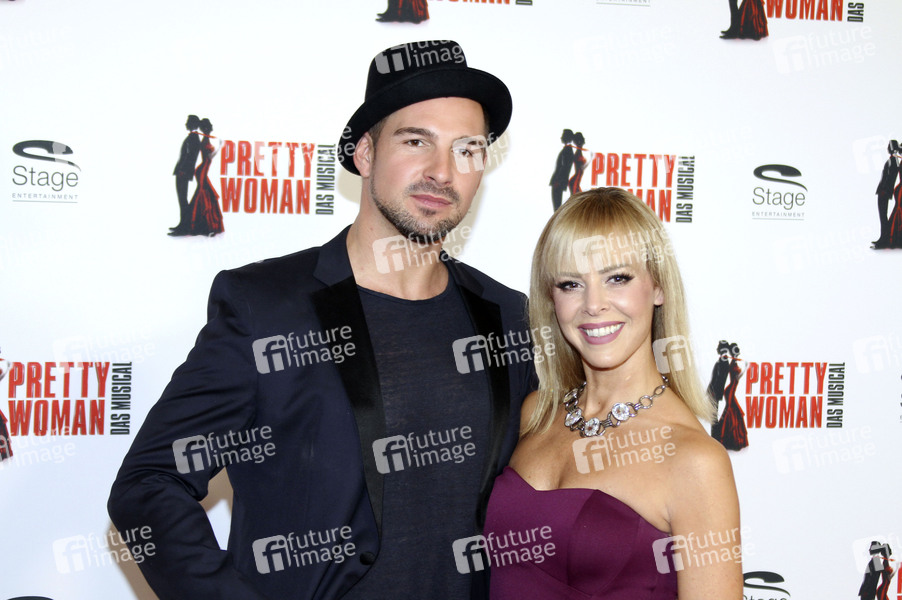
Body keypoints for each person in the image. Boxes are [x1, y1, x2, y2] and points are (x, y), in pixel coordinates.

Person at [108, 40, 534, 600]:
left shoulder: (509, 316)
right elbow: (148, 485)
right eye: (416, 141)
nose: (441, 171)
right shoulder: (266, 306)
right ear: (365, 154)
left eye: (467, 150)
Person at [485, 188, 742, 598]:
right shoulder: (536, 413)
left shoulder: (694, 461)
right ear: (551, 299)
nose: (594, 304)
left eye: (617, 278)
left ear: (658, 287)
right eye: (570, 284)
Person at [184, 118, 224, 237]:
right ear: (207, 128)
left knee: (204, 192)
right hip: (202, 171)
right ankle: (205, 226)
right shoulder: (205, 139)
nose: (211, 127)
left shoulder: (206, 139)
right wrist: (219, 147)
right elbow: (209, 157)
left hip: (202, 170)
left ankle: (202, 225)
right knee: (202, 192)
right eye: (210, 126)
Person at [170, 114, 201, 235]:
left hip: (183, 173)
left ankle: (184, 227)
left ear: (192, 124)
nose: (186, 124)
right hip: (183, 172)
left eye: (188, 122)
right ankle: (182, 224)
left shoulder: (193, 138)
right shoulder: (193, 137)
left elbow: (191, 157)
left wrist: (183, 170)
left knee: (183, 200)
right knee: (182, 200)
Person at [550, 129, 575, 211]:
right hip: (559, 181)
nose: (561, 137)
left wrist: (558, 181)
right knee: (557, 206)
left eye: (563, 135)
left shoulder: (567, 150)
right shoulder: (568, 149)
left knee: (557, 206)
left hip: (558, 182)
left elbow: (565, 167)